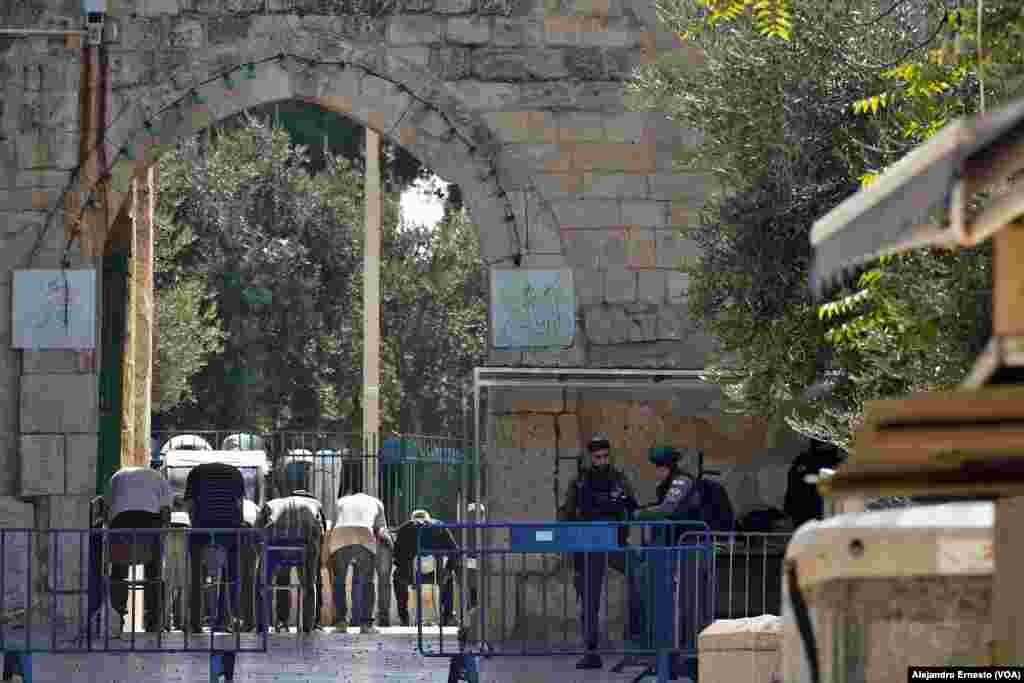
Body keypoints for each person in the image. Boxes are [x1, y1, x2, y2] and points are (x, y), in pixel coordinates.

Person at [635, 446, 734, 681]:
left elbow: (669, 508)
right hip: (685, 548)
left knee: (692, 604)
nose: (656, 472)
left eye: (658, 467)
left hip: (693, 548)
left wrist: (639, 514)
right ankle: (682, 657)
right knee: (683, 604)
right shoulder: (673, 482)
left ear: (665, 466)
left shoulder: (680, 482)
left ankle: (694, 659)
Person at [559, 433, 638, 670]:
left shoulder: (619, 479)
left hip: (615, 542)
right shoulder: (581, 481)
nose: (602, 461)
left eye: (605, 456)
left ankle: (637, 645)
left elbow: (632, 506)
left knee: (641, 579)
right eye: (597, 457)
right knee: (589, 601)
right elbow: (568, 512)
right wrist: (569, 541)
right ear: (590, 457)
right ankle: (591, 651)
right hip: (588, 545)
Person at [106, 465, 173, 634]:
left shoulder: (117, 475)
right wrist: (162, 539)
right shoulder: (159, 478)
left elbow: (108, 505)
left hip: (120, 521)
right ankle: (153, 621)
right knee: (154, 572)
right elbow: (165, 511)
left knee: (119, 572)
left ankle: (117, 618)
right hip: (149, 521)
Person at [184, 461, 246, 633]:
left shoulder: (196, 472)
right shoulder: (235, 472)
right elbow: (239, 504)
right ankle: (226, 619)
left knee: (196, 573)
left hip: (202, 525)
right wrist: (238, 525)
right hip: (228, 526)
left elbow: (189, 504)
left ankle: (195, 622)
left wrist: (195, 525)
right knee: (231, 574)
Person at [259, 486, 327, 633]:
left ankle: (266, 624)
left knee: (267, 583)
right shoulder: (315, 504)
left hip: (276, 548)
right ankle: (308, 626)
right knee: (309, 585)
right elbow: (322, 531)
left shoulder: (274, 503)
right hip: (304, 546)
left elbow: (258, 529)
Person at [328, 487, 389, 633]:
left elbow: (333, 524)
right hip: (365, 534)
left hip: (340, 535)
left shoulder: (341, 501)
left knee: (339, 581)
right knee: (368, 581)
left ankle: (340, 623)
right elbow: (381, 530)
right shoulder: (376, 502)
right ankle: (366, 625)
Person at [391, 509, 459, 627]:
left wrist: (403, 568)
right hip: (435, 574)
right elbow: (454, 551)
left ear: (412, 518)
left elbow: (396, 555)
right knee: (448, 578)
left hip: (411, 574)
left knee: (397, 578)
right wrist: (448, 569)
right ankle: (447, 616)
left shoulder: (405, 528)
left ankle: (404, 617)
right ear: (428, 517)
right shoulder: (439, 526)